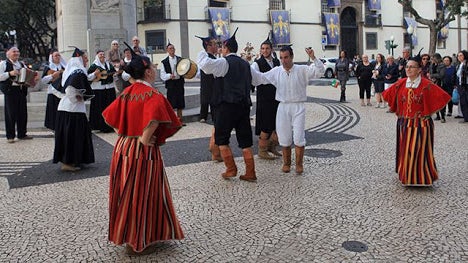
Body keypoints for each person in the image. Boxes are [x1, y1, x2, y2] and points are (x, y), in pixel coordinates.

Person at [102, 45, 184, 255]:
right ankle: (139, 241)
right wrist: (144, 137)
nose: (156, 69)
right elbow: (155, 118)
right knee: (142, 193)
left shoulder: (126, 92)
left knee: (125, 193)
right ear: (147, 71)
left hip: (122, 147)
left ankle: (128, 235)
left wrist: (124, 130)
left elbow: (110, 118)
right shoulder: (153, 94)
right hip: (141, 150)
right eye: (153, 66)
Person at [251, 45, 325, 174]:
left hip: (298, 106)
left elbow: (319, 71)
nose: (283, 60)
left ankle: (299, 164)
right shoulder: (277, 71)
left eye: (286, 57)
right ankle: (286, 163)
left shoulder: (302, 70)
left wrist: (313, 57)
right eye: (281, 58)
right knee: (284, 136)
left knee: (298, 136)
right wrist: (247, 66)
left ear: (292, 57)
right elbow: (260, 78)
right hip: (283, 106)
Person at [382, 52, 451, 186]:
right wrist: (397, 108)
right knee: (405, 150)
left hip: (422, 124)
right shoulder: (401, 83)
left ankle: (422, 178)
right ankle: (407, 177)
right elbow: (387, 95)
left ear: (419, 70)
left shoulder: (426, 84)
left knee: (420, 150)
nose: (408, 69)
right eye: (407, 66)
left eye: (412, 67)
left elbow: (442, 97)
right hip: (404, 123)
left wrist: (428, 112)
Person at [197, 28, 257, 182]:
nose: (220, 50)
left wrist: (203, 51)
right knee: (245, 141)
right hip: (243, 107)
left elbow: (205, 65)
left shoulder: (223, 62)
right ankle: (250, 172)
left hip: (226, 107)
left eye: (222, 47)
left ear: (226, 48)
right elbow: (256, 80)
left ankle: (231, 169)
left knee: (222, 139)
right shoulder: (246, 64)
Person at [53, 47, 95, 172]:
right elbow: (70, 89)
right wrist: (77, 97)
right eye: (85, 59)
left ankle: (76, 159)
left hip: (70, 109)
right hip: (72, 110)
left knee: (75, 136)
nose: (86, 61)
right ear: (79, 58)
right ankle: (68, 162)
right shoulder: (78, 71)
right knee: (72, 136)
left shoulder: (71, 70)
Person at [251, 35, 281, 160]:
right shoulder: (257, 64)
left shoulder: (277, 62)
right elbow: (253, 77)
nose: (265, 51)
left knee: (276, 124)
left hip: (276, 98)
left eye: (267, 48)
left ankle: (271, 147)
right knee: (265, 124)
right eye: (262, 48)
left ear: (271, 50)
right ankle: (262, 150)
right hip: (264, 98)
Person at [195, 35, 222, 162]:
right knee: (218, 122)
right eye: (215, 44)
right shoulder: (206, 58)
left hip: (213, 94)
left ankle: (215, 148)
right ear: (209, 46)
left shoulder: (212, 59)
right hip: (213, 94)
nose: (217, 46)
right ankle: (215, 149)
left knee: (218, 122)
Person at [0, 47, 34, 143]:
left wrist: (33, 78)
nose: (16, 53)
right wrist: (9, 73)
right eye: (14, 51)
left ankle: (22, 134)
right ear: (8, 53)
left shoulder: (21, 64)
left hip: (21, 90)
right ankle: (10, 136)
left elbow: (28, 75)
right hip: (10, 91)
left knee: (22, 113)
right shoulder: (3, 64)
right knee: (11, 114)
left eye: (17, 51)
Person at [88, 50, 116, 133]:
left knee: (110, 107)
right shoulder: (94, 66)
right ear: (97, 56)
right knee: (99, 108)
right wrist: (94, 74)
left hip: (109, 88)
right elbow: (88, 77)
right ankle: (99, 125)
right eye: (100, 54)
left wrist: (114, 75)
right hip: (98, 89)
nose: (102, 56)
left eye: (103, 54)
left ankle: (110, 126)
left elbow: (114, 73)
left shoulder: (109, 65)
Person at [160, 42, 186, 125]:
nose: (172, 50)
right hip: (171, 84)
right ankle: (172, 121)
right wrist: (169, 76)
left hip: (179, 82)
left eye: (173, 48)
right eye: (170, 48)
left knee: (180, 101)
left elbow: (184, 68)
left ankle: (180, 120)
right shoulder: (164, 62)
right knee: (171, 102)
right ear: (167, 50)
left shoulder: (180, 59)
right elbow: (162, 75)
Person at [41, 49, 67, 131]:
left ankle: (63, 127)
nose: (57, 57)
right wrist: (52, 76)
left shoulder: (64, 67)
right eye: (55, 55)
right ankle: (55, 128)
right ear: (52, 57)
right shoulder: (48, 67)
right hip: (52, 92)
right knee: (53, 111)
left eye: (59, 55)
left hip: (62, 92)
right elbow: (43, 80)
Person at [455, 50, 468, 123]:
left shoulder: (466, 64)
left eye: (461, 55)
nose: (459, 57)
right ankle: (466, 118)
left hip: (466, 84)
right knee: (463, 102)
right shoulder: (459, 65)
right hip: (461, 85)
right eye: (458, 55)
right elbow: (457, 75)